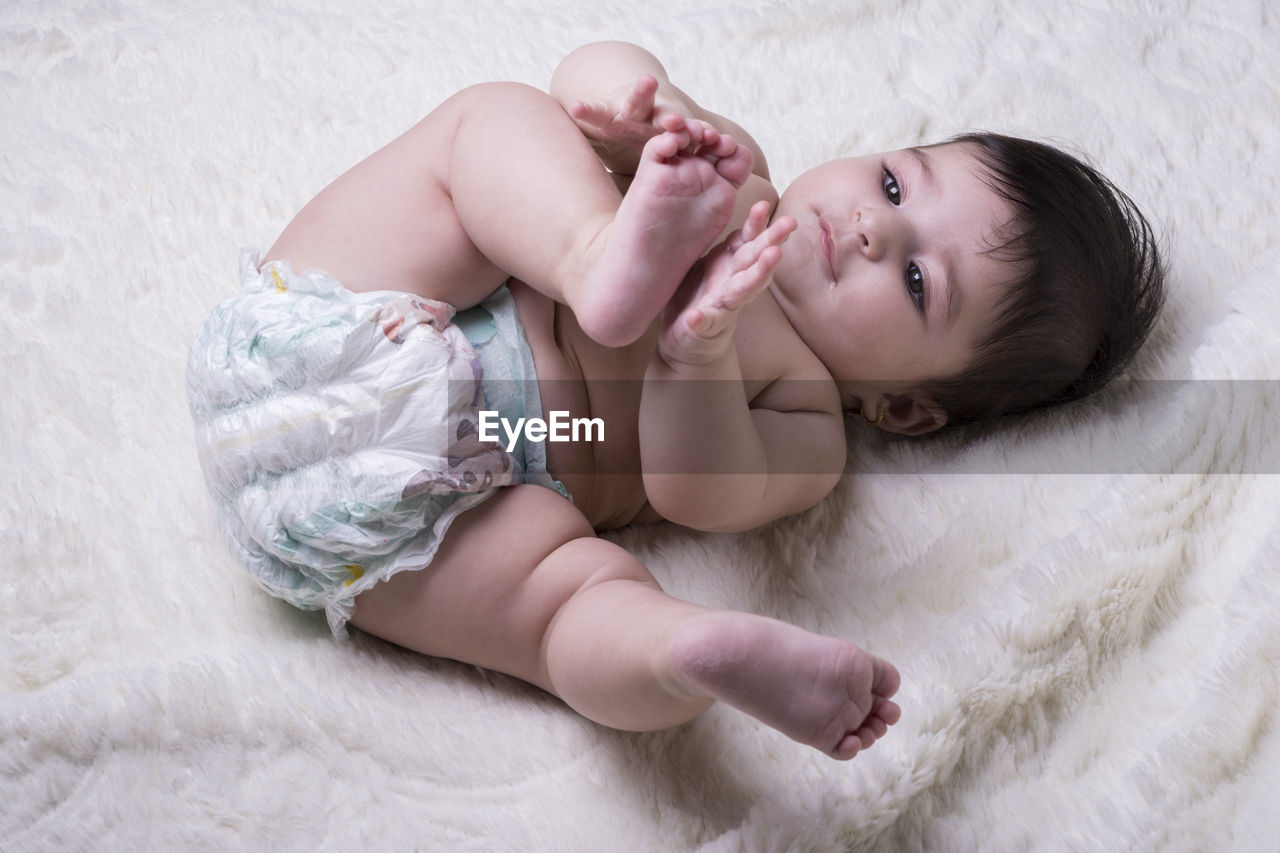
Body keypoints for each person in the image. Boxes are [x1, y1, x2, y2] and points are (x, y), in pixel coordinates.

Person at [187, 42, 1163, 760]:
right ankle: (587, 256)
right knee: (495, 121)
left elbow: (696, 490)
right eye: (896, 186)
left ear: (903, 408)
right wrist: (616, 104)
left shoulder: (805, 420)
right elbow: (588, 70)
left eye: (915, 284)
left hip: (412, 519)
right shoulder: (733, 175)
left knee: (569, 612)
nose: (869, 229)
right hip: (338, 325)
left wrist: (696, 356)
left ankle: (687, 653)